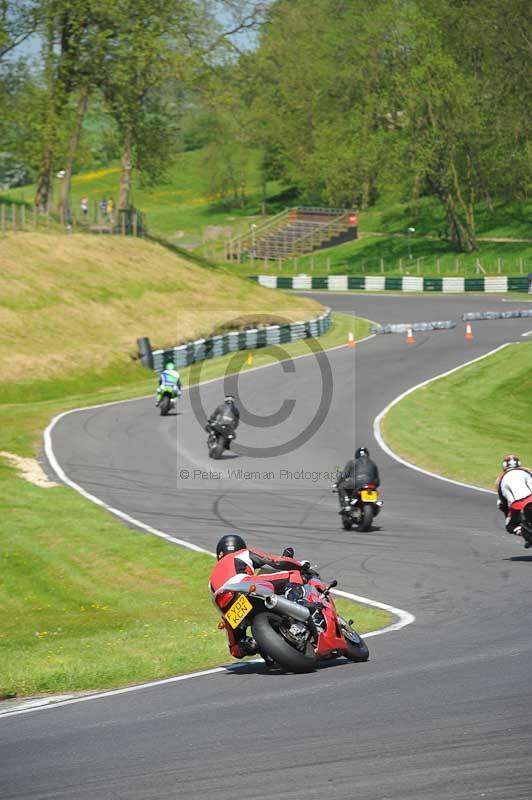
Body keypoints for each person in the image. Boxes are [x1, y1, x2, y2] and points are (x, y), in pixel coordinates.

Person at [209, 534, 317, 658]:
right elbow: (274, 561)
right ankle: (299, 602)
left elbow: (216, 600)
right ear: (240, 546)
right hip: (243, 585)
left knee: (235, 645)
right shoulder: (242, 553)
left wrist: (240, 647)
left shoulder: (210, 580)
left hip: (226, 603)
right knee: (293, 575)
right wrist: (299, 565)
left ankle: (247, 645)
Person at [496, 454, 532, 545]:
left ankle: (524, 533)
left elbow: (502, 504)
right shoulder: (527, 471)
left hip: (518, 504)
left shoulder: (500, 479)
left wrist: (508, 514)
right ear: (519, 464)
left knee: (510, 526)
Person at [335, 446, 380, 512]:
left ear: (357, 455)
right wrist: (373, 485)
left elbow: (344, 475)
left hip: (356, 483)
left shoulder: (352, 462)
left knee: (341, 487)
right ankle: (374, 504)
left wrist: (338, 482)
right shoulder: (373, 464)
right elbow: (377, 481)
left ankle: (346, 505)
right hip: (370, 484)